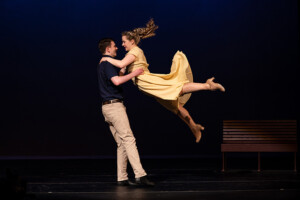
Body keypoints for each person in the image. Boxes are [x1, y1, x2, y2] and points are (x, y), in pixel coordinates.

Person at [100, 19, 225, 143]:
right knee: (175, 105)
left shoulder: (134, 51)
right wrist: (123, 68)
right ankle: (193, 126)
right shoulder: (131, 54)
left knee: (176, 88)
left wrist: (105, 58)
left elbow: (120, 63)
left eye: (124, 42)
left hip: (149, 82)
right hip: (148, 86)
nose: (122, 45)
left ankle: (207, 85)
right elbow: (121, 74)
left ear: (132, 41)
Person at [97, 38, 154, 186]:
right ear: (108, 49)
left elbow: (113, 82)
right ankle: (140, 175)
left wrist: (122, 72)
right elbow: (117, 82)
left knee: (121, 143)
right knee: (128, 139)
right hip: (114, 107)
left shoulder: (103, 64)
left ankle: (121, 177)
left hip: (107, 108)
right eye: (115, 46)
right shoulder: (108, 62)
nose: (117, 48)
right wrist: (134, 73)